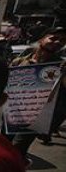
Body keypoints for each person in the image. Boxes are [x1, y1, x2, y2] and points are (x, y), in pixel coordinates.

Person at [9, 27, 66, 156]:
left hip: (35, 117)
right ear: (42, 39)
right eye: (53, 38)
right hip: (12, 114)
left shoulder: (60, 66)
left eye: (62, 40)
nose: (58, 42)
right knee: (3, 146)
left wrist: (63, 74)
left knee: (17, 149)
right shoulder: (21, 61)